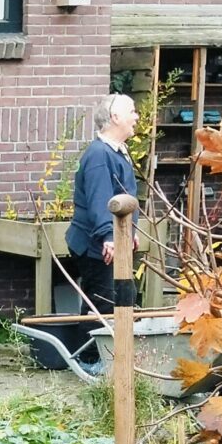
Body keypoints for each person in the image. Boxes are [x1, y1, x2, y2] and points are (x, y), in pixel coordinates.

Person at [65, 94, 140, 321]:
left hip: (112, 240)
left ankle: (98, 355)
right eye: (132, 112)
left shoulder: (116, 151)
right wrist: (109, 236)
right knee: (104, 305)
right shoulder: (100, 154)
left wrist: (130, 232)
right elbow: (101, 199)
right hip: (96, 245)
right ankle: (89, 357)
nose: (136, 117)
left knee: (118, 298)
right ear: (115, 117)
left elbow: (124, 196)